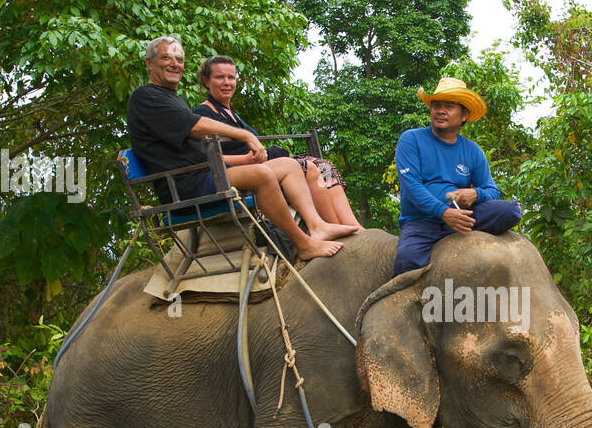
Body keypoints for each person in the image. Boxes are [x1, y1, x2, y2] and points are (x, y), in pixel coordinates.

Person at [126, 36, 356, 260]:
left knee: (289, 165)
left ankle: (318, 226)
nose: (175, 64)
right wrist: (245, 136)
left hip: (206, 174)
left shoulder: (171, 98)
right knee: (262, 174)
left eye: (179, 59)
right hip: (186, 185)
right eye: (167, 58)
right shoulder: (146, 96)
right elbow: (195, 127)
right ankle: (303, 244)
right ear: (149, 63)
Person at [194, 54, 362, 230]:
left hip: (258, 164)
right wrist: (245, 160)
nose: (227, 83)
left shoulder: (231, 113)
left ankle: (353, 226)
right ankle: (332, 226)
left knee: (324, 166)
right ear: (207, 81)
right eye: (220, 77)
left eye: (231, 77)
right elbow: (205, 158)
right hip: (241, 173)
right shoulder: (203, 113)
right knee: (308, 167)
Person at [393, 77, 521, 275]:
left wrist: (475, 194)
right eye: (436, 105)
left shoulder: (472, 150)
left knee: (510, 211)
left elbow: (492, 191)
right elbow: (411, 188)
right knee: (407, 259)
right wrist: (443, 213)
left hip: (462, 217)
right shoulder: (411, 139)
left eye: (449, 106)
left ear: (464, 115)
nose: (440, 111)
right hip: (422, 221)